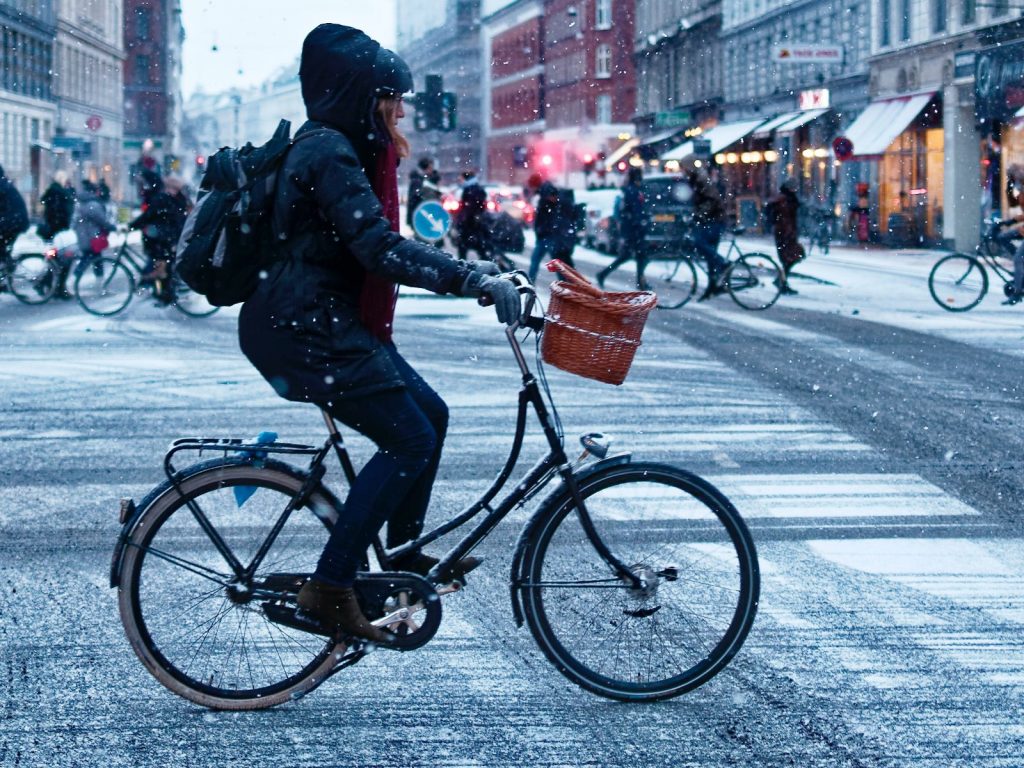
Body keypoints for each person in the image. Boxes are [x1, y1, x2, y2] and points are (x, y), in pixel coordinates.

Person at [237, 24, 518, 644]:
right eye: (389, 99)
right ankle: (332, 587)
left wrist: (474, 273)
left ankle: (402, 555)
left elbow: (373, 242)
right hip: (305, 328)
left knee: (431, 416)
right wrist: (468, 278)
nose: (398, 112)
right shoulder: (328, 152)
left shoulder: (334, 146)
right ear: (360, 96)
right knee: (409, 440)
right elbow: (377, 247)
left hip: (315, 321)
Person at [129, 171, 187, 304]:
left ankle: (163, 294)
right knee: (163, 266)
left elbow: (148, 215)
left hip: (163, 239)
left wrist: (131, 226)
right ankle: (161, 293)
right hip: (170, 238)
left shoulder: (162, 198)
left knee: (160, 267)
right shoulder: (178, 198)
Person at [596, 166, 649, 289]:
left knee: (631, 256)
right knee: (640, 256)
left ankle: (604, 274)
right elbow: (637, 211)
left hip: (630, 228)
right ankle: (640, 283)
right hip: (634, 229)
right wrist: (641, 223)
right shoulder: (634, 191)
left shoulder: (629, 190)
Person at [685, 163, 727, 301]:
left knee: (700, 244)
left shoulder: (702, 180)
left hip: (714, 220)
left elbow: (712, 200)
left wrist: (699, 215)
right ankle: (712, 287)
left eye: (684, 168)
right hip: (711, 219)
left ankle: (723, 263)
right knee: (710, 256)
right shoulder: (697, 180)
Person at [67, 180, 115, 299]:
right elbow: (102, 220)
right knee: (88, 260)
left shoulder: (82, 203)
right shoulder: (92, 204)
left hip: (86, 237)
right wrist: (111, 227)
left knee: (96, 261)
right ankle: (73, 283)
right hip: (92, 238)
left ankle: (100, 286)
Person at [766, 177, 803, 295]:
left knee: (790, 257)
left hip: (785, 232)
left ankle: (782, 281)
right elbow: (785, 218)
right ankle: (781, 282)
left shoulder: (784, 199)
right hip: (786, 233)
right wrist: (789, 232)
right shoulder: (785, 200)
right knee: (791, 257)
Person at [527, 176, 561, 282]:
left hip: (546, 234)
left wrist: (542, 228)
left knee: (536, 260)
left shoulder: (546, 191)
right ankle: (567, 285)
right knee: (556, 263)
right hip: (547, 233)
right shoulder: (545, 190)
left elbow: (549, 211)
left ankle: (530, 285)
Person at [1000, 163, 1024, 305]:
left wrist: (1012, 222)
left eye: (1012, 177)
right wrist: (1008, 188)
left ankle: (1017, 292)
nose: (1013, 180)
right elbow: (1013, 205)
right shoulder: (1020, 189)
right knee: (1002, 237)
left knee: (1017, 259)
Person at [455, 170, 492, 261]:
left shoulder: (470, 189)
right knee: (480, 248)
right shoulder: (475, 188)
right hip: (475, 224)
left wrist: (461, 220)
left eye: (461, 179)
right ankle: (486, 266)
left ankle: (462, 268)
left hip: (470, 224)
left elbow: (468, 208)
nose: (460, 181)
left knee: (464, 248)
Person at [0, 165, 29, 265]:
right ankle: (6, 264)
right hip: (17, 220)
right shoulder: (5, 184)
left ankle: (6, 264)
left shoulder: (2, 186)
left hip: (14, 221)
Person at [38, 170, 74, 241]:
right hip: (60, 222)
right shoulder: (63, 193)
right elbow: (67, 208)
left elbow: (43, 201)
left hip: (51, 221)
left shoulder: (51, 190)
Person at [405, 156, 435, 230]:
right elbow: (415, 198)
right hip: (418, 217)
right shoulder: (418, 181)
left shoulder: (419, 179)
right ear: (426, 168)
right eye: (430, 168)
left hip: (419, 216)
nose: (432, 170)